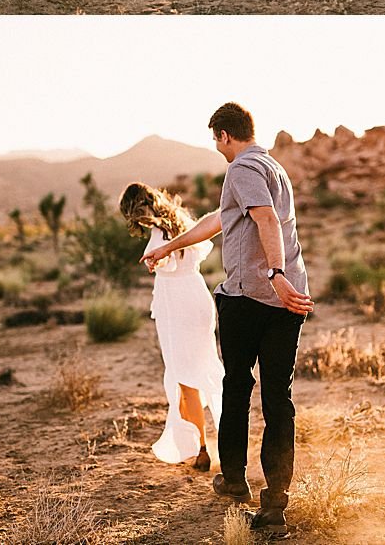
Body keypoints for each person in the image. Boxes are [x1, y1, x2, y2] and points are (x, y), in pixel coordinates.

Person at [141, 102, 312, 535]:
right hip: (289, 299)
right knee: (278, 398)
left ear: (223, 135)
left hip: (250, 297)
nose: (217, 148)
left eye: (215, 140)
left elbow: (265, 218)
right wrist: (168, 246)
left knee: (236, 384)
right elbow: (220, 220)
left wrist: (272, 274)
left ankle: (235, 480)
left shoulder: (239, 168)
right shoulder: (274, 168)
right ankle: (274, 503)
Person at [120, 182, 225, 473]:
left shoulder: (158, 234)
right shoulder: (184, 222)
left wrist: (158, 260)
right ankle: (216, 441)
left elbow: (164, 259)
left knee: (185, 378)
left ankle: (201, 448)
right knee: (202, 370)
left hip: (177, 306)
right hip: (197, 296)